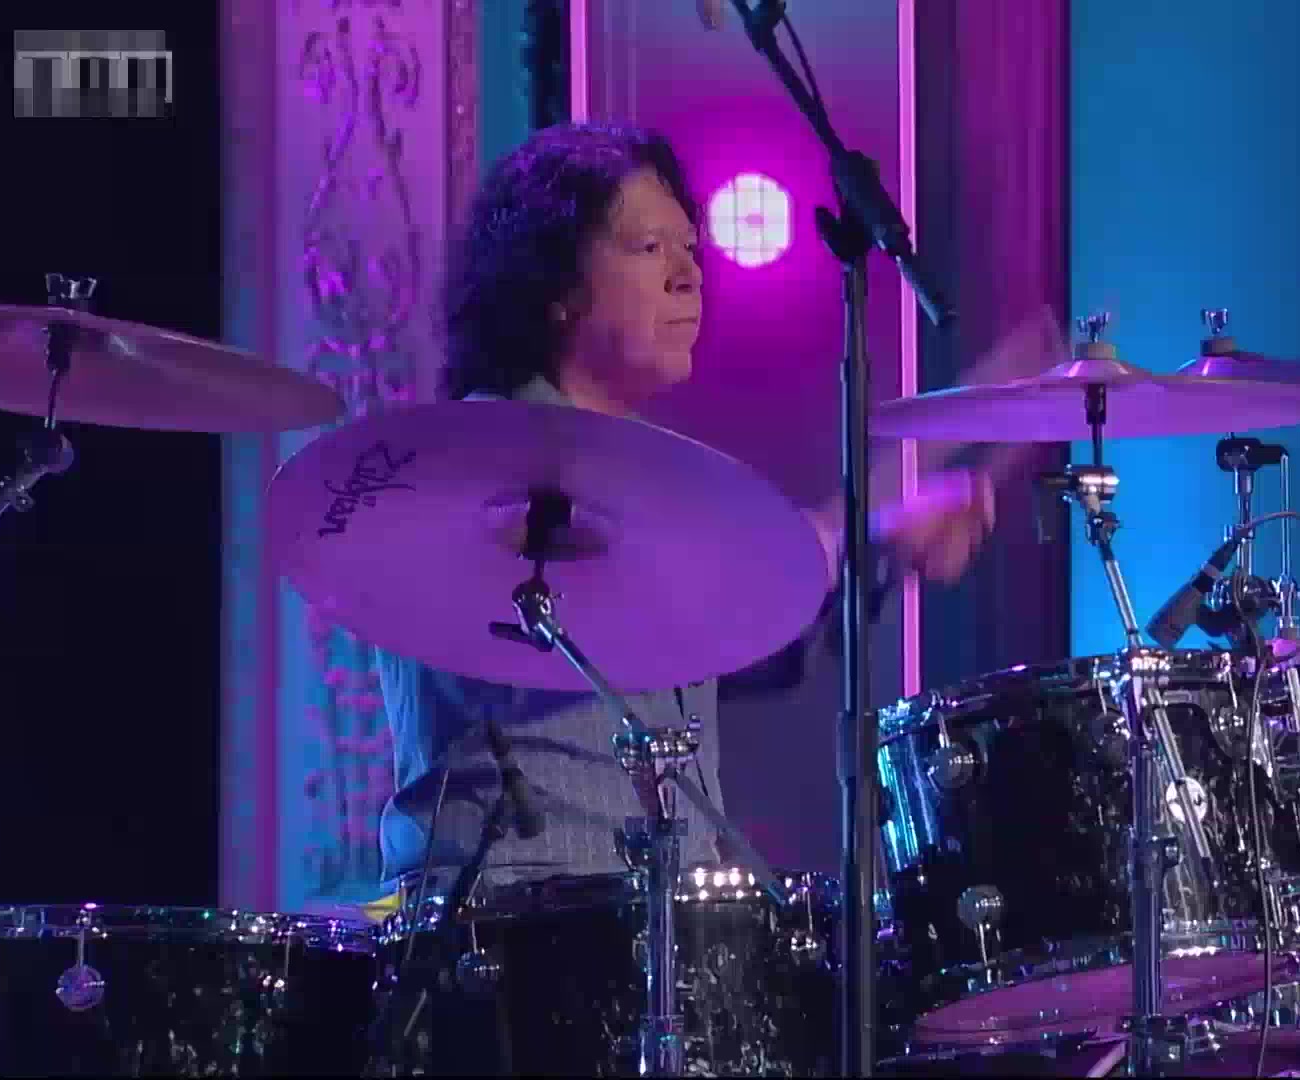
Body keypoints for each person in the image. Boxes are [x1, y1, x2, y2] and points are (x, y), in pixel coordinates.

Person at [374, 123, 1008, 897]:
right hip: (513, 917)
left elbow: (719, 641)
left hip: (667, 918)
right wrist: (839, 539)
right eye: (649, 249)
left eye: (691, 249)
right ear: (554, 288)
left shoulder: (656, 478)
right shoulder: (471, 467)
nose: (689, 277)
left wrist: (882, 553)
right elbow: (598, 619)